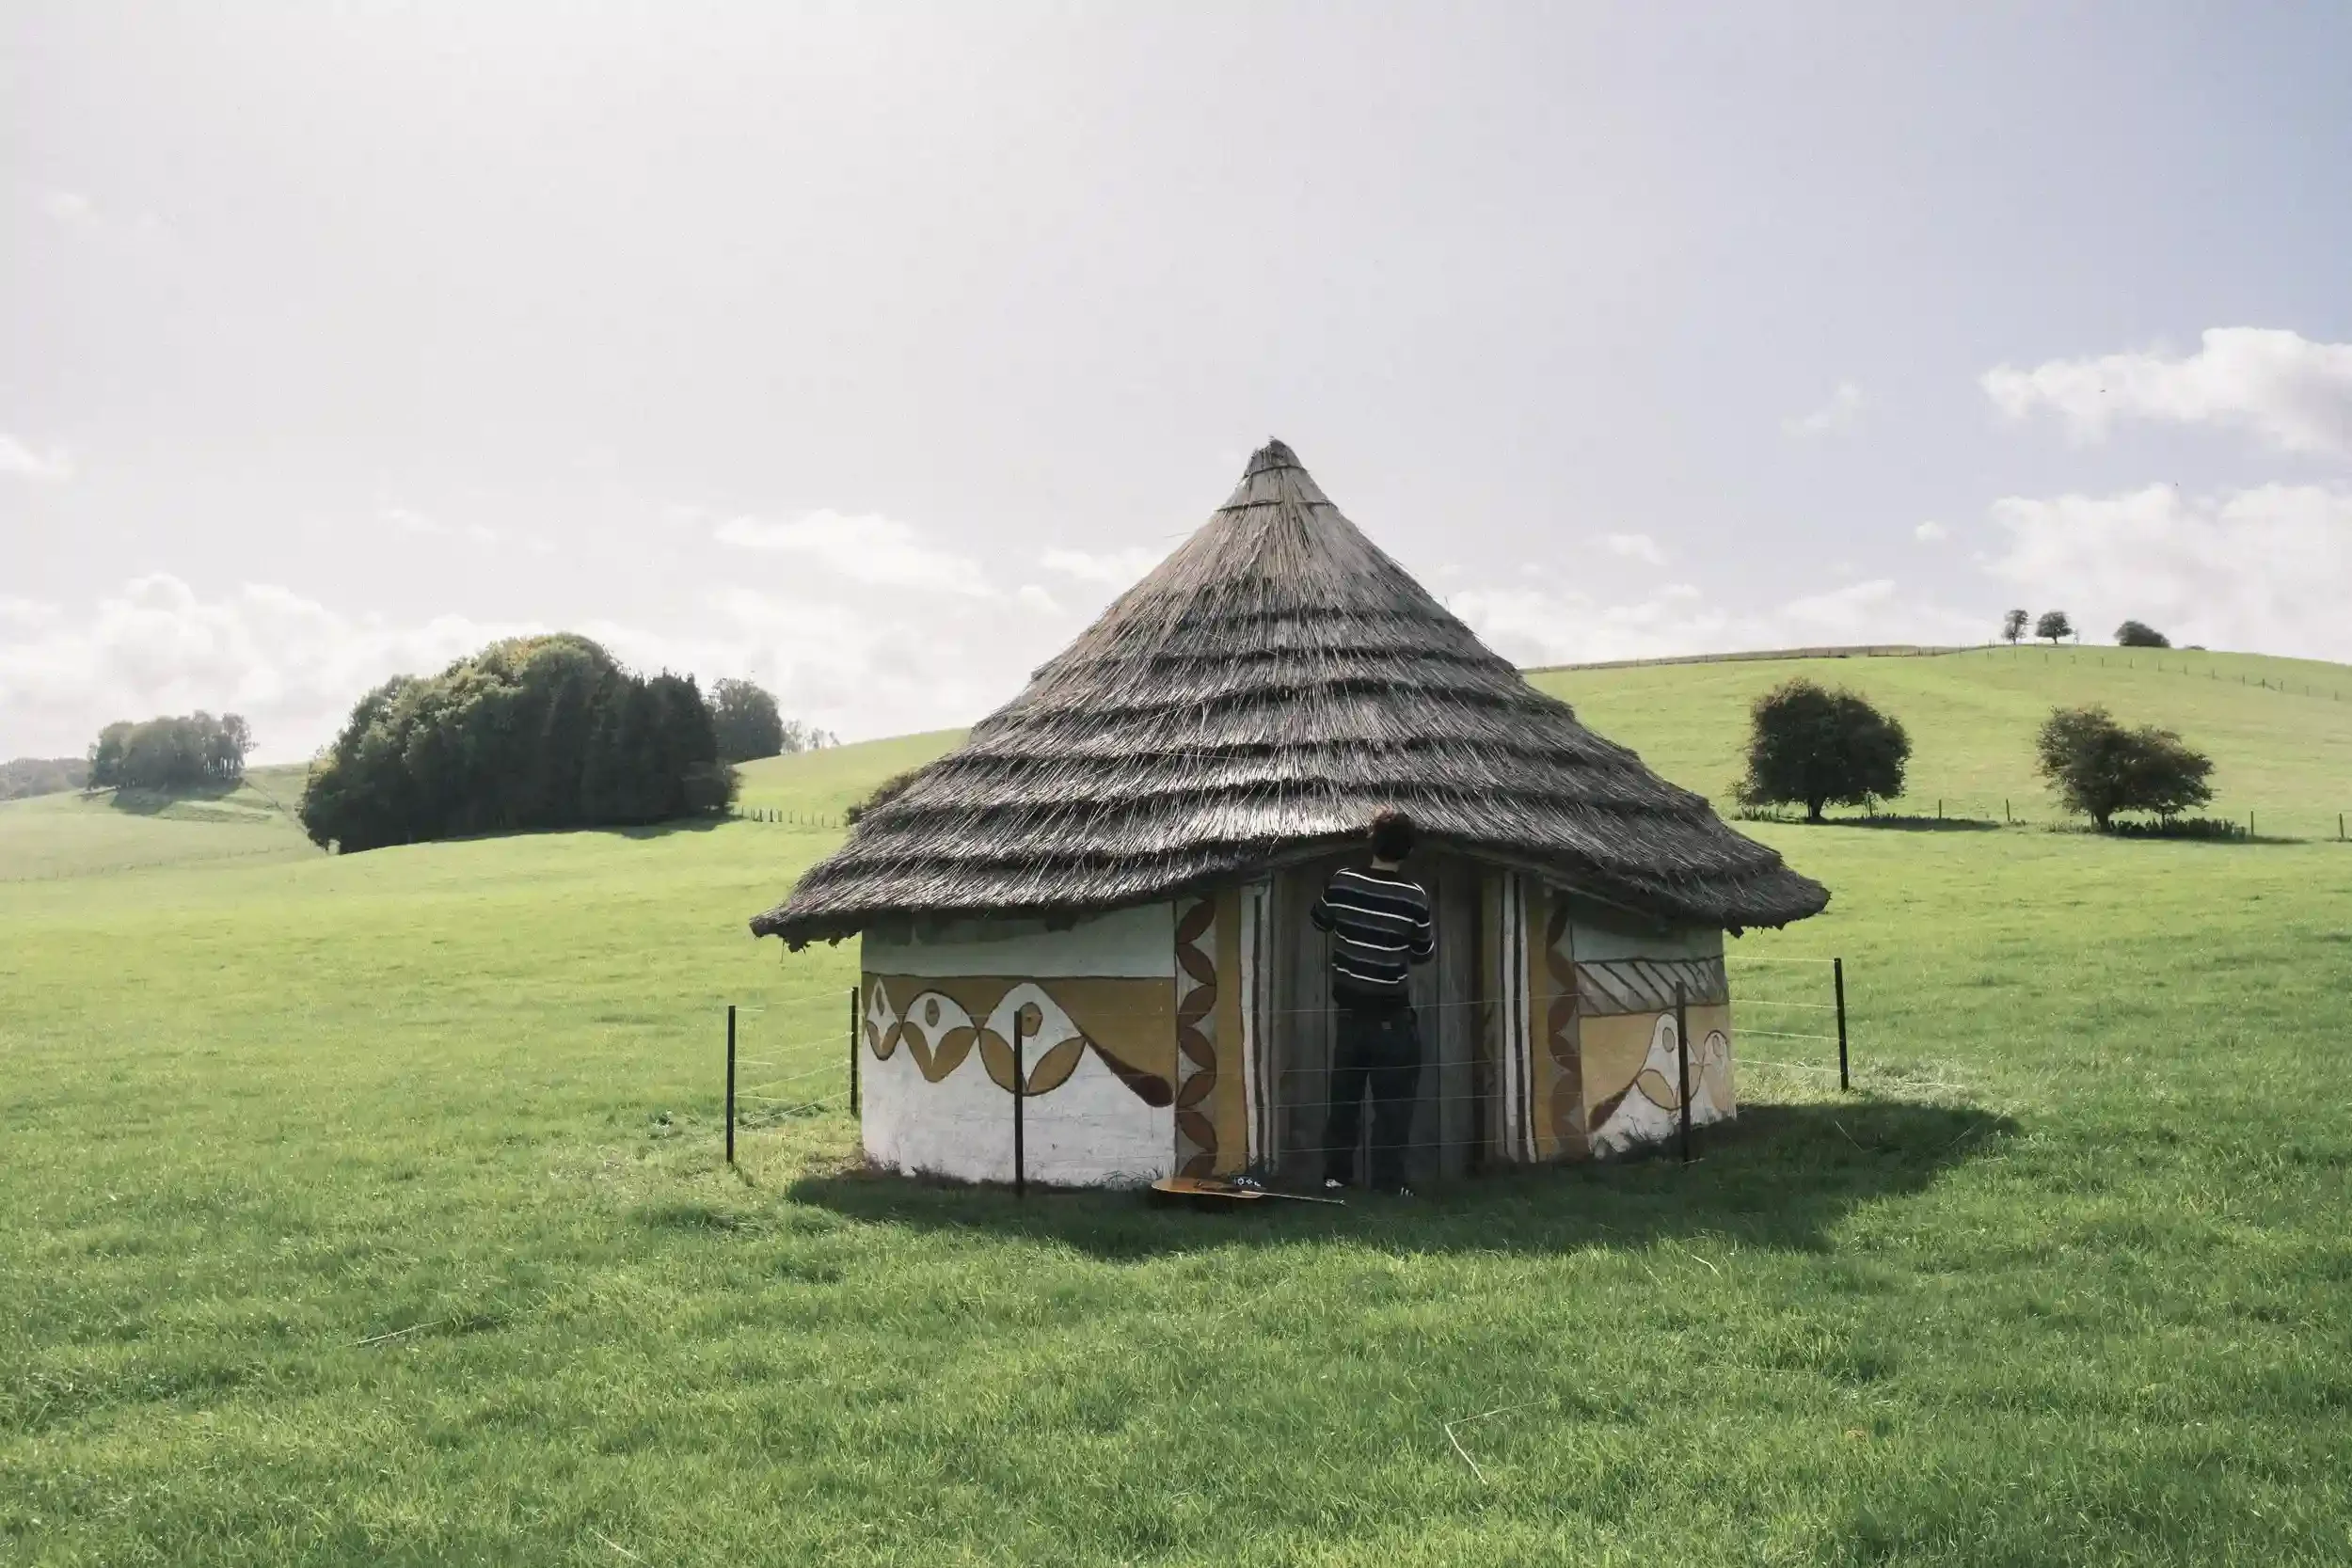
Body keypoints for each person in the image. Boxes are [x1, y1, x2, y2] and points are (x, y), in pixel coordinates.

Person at [1310, 807, 1436, 1195]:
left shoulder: (1344, 882)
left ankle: (1336, 1178)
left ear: (1371, 842)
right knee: (1393, 1106)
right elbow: (1424, 952)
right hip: (1393, 1019)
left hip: (1350, 1016)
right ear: (1409, 851)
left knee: (1344, 1100)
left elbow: (1318, 919)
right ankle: (1389, 1184)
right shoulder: (1414, 897)